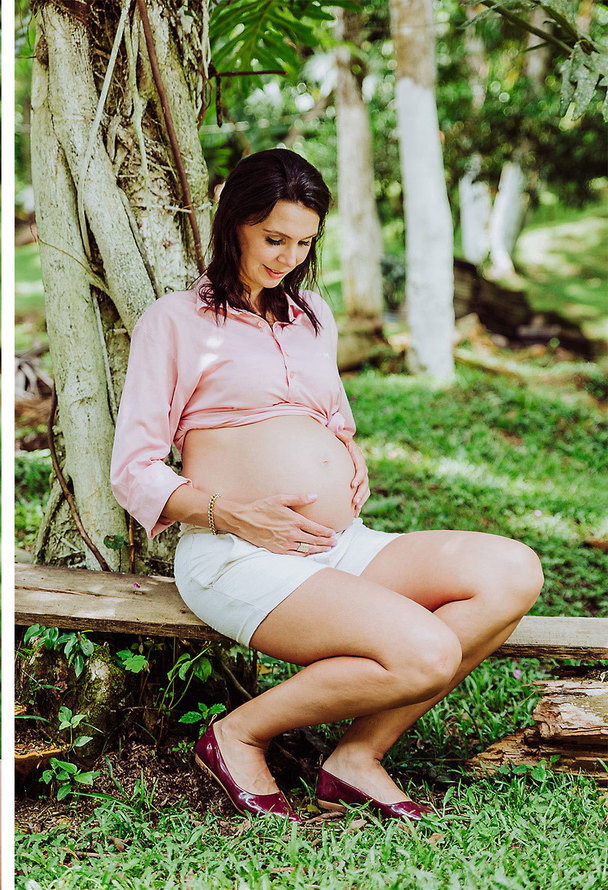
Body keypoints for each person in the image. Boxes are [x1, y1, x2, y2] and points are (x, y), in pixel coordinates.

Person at [110, 148, 542, 823]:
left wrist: (346, 452)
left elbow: (330, 415)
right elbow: (133, 470)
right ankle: (237, 735)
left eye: (304, 243)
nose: (288, 257)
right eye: (273, 238)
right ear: (233, 224)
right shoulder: (176, 321)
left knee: (512, 571)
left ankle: (357, 757)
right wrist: (234, 513)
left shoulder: (312, 314)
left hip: (339, 545)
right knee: (427, 653)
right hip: (238, 556)